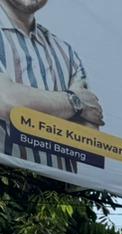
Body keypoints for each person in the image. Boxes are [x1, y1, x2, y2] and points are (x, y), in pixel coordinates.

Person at [0, 0, 105, 173]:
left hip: (60, 189)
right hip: (8, 188)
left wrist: (27, 102)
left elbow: (88, 138)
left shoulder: (66, 53)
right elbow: (6, 101)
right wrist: (75, 102)